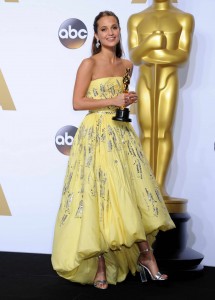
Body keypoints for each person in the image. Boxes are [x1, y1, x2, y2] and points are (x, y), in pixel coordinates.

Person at [51, 10, 175, 289]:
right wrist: (113, 98)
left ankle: (147, 256)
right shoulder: (88, 63)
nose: (110, 33)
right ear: (95, 35)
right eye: (104, 29)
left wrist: (125, 100)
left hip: (121, 135)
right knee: (98, 198)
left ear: (119, 31)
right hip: (95, 135)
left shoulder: (127, 65)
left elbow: (118, 101)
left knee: (127, 195)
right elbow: (78, 102)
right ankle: (100, 266)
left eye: (114, 27)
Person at [127, 0, 194, 198]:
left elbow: (182, 56)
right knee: (146, 133)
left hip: (167, 80)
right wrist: (150, 44)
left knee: (163, 132)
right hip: (146, 81)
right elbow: (135, 57)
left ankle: (160, 185)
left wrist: (156, 53)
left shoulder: (183, 18)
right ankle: (147, 185)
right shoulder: (137, 19)